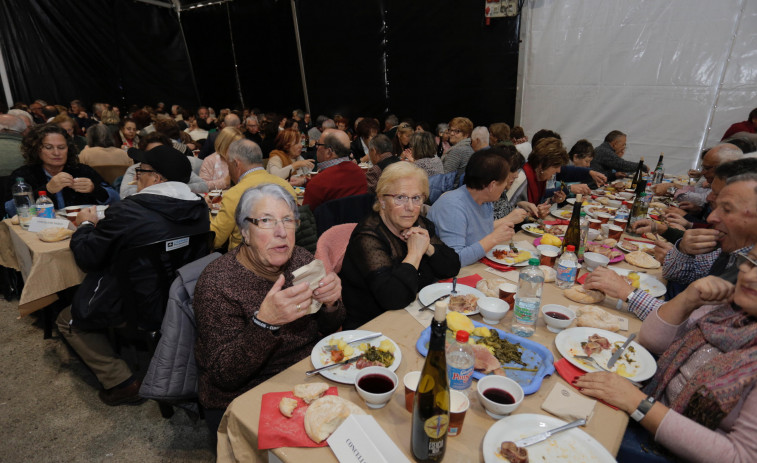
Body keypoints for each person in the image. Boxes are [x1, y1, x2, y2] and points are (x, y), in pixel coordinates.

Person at [56, 145, 209, 406]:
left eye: (141, 171)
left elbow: (88, 258)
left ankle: (121, 382)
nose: (137, 176)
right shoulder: (199, 206)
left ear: (157, 178)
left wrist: (84, 225)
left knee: (67, 319)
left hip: (139, 304)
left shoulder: (129, 211)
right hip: (185, 295)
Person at [575, 249, 757, 463]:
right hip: (649, 414)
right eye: (750, 261)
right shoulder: (731, 312)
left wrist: (637, 402)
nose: (746, 271)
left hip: (664, 449)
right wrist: (687, 299)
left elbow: (742, 457)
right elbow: (653, 340)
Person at [195, 183, 345, 435]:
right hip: (245, 393)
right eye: (266, 221)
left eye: (288, 220)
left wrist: (331, 304)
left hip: (305, 374)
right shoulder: (216, 284)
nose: (281, 232)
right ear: (244, 231)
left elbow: (328, 327)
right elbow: (224, 376)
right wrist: (265, 324)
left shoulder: (302, 259)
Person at [585, 166, 757, 321]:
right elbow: (675, 274)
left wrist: (628, 293)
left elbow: (690, 325)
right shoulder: (734, 251)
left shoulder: (747, 270)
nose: (711, 216)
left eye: (726, 207)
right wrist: (683, 250)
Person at [340, 162, 460, 329]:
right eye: (400, 197)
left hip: (415, 313)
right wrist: (415, 254)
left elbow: (452, 267)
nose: (410, 207)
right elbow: (393, 298)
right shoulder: (367, 237)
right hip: (372, 326)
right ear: (382, 200)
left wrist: (429, 247)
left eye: (416, 198)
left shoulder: (419, 223)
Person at [428, 149, 516, 266]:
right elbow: (455, 259)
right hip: (448, 278)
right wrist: (493, 238)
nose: (506, 186)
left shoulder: (485, 201)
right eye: (504, 181)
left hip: (476, 266)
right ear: (492, 185)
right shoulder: (453, 207)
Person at [5, 124, 118, 215]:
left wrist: (95, 189)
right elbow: (10, 209)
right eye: (49, 147)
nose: (56, 153)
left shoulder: (81, 170)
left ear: (68, 149)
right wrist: (47, 190)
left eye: (61, 147)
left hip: (84, 227)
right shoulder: (24, 175)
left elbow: (116, 198)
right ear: (36, 149)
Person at [210, 138, 296, 251]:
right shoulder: (286, 186)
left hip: (245, 260)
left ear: (236, 164)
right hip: (284, 253)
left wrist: (208, 214)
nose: (228, 170)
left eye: (228, 165)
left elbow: (215, 240)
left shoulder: (234, 195)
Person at [120, 133, 209, 198]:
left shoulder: (176, 167)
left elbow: (203, 186)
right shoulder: (135, 169)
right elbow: (124, 195)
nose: (156, 155)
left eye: (162, 151)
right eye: (151, 152)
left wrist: (172, 187)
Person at [302, 128, 367, 211]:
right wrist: (306, 182)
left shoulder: (318, 183)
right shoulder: (360, 173)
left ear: (329, 152)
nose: (316, 147)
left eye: (318, 144)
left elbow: (306, 218)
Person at [492, 145, 551, 221]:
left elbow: (505, 212)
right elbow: (483, 229)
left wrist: (520, 206)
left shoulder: (501, 192)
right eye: (513, 170)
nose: (517, 175)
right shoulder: (489, 196)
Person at [512, 137, 570, 205]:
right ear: (542, 164)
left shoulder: (539, 178)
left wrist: (552, 200)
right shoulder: (521, 178)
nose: (558, 170)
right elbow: (504, 210)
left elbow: (537, 206)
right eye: (556, 166)